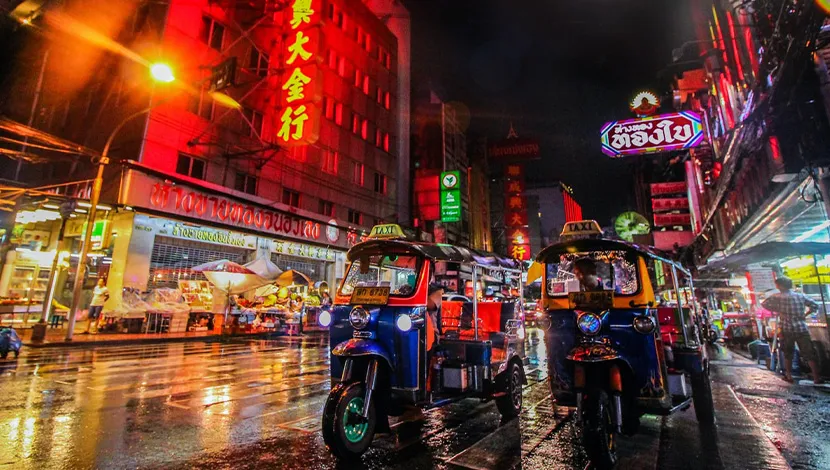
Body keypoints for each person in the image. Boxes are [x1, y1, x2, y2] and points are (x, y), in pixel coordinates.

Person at [761, 277, 824, 384]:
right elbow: (814, 305)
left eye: (777, 285)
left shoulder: (777, 297)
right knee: (809, 353)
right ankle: (816, 378)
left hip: (787, 328)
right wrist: (805, 314)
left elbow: (764, 304)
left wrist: (778, 309)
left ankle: (789, 376)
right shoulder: (800, 296)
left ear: (780, 285)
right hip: (801, 327)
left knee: (788, 353)